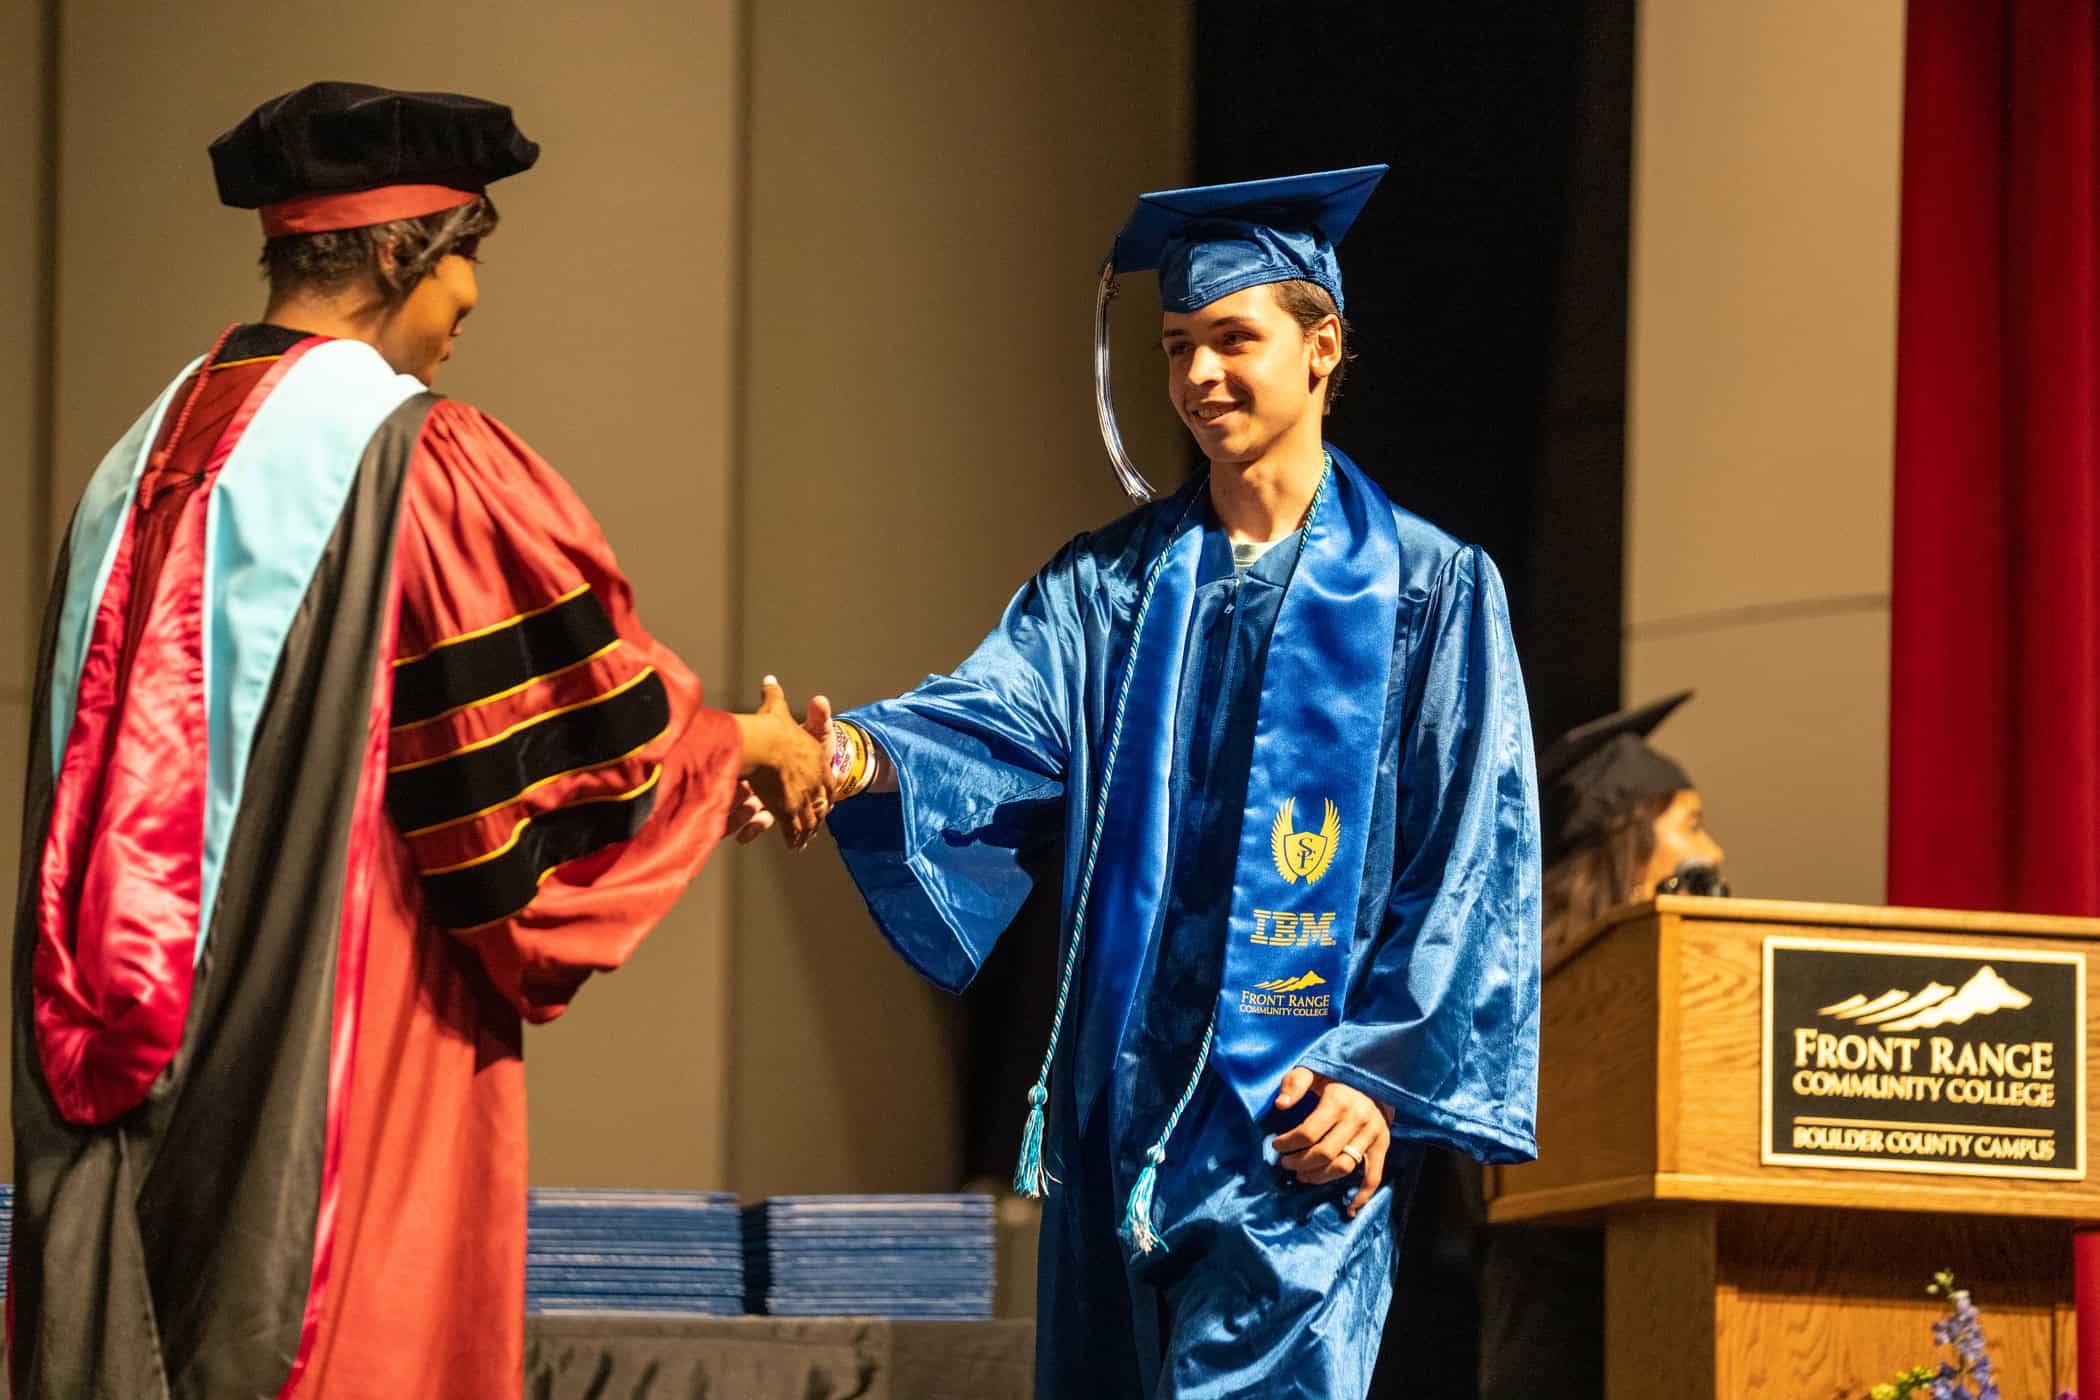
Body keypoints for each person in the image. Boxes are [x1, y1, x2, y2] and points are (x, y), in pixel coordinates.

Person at [8, 82, 828, 1399]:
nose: (471, 302)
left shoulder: (138, 463)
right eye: (467, 256)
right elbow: (561, 754)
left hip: (123, 1113)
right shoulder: (415, 465)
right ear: (397, 252)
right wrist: (743, 746)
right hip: (337, 1082)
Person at [810, 166, 1542, 1398]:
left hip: (1295, 1115)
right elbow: (992, 722)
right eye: (1175, 345)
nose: (1200, 374)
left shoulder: (1431, 588)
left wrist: (1383, 1075)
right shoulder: (1111, 590)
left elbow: (1474, 850)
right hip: (1119, 1104)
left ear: (1322, 348)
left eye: (1233, 339)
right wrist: (847, 756)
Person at [1476, 690, 1726, 1400]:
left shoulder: (1707, 993)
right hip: (1559, 1337)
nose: (1713, 851)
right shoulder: (1521, 1004)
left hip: (1685, 1315)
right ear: (1627, 833)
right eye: (1694, 825)